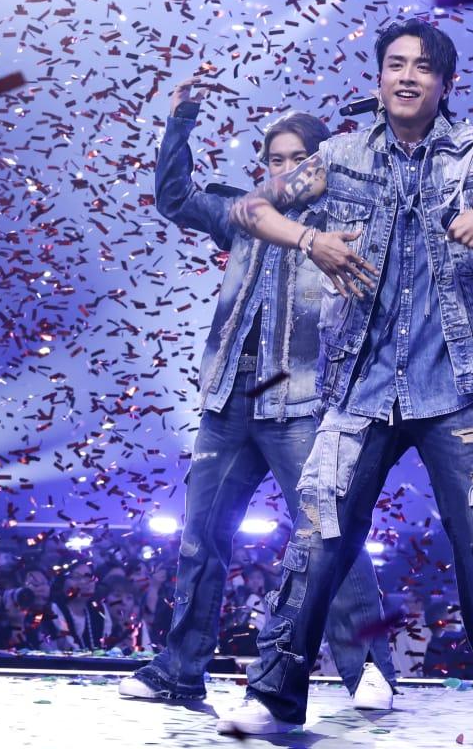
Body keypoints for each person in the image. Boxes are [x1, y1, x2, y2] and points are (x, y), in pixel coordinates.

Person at [218, 17, 473, 742]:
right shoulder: (339, 155)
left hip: (456, 387)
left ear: (445, 82)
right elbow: (251, 208)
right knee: (317, 542)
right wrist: (310, 239)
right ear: (380, 78)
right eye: (396, 64)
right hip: (361, 385)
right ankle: (274, 697)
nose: (407, 76)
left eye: (422, 66)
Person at [118, 81, 398, 708]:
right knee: (201, 538)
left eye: (298, 159)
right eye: (275, 160)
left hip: (300, 400)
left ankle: (368, 669)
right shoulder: (244, 214)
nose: (285, 171)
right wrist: (179, 121)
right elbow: (174, 198)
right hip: (229, 397)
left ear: (321, 163)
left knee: (327, 536)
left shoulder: (345, 223)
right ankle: (179, 669)